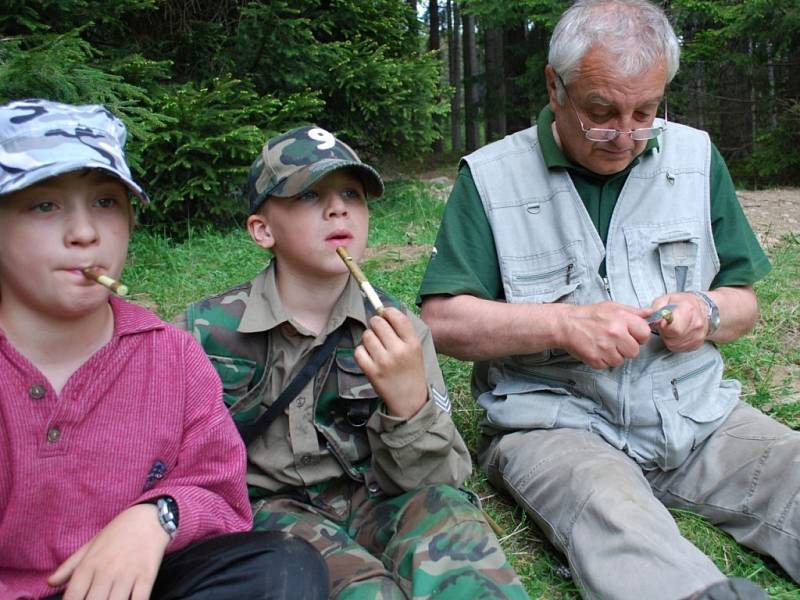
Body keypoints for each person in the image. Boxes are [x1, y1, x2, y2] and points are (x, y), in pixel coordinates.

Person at [418, 1, 798, 598]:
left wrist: (709, 312)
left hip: (695, 418)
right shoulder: (493, 178)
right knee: (609, 509)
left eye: (645, 112)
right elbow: (442, 321)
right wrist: (563, 324)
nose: (625, 134)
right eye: (602, 113)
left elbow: (743, 298)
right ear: (555, 86)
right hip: (556, 424)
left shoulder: (695, 160)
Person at [177, 125, 529, 599]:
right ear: (262, 230)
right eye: (308, 196)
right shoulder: (202, 333)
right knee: (362, 591)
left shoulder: (398, 328)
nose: (338, 207)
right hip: (275, 516)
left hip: (380, 498)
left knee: (462, 551)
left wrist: (409, 405)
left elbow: (437, 482)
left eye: (351, 193)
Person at [0, 99, 328, 600]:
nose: (84, 233)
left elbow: (221, 493)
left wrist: (159, 516)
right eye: (44, 204)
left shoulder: (172, 357)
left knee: (283, 565)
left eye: (106, 202)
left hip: (143, 586)